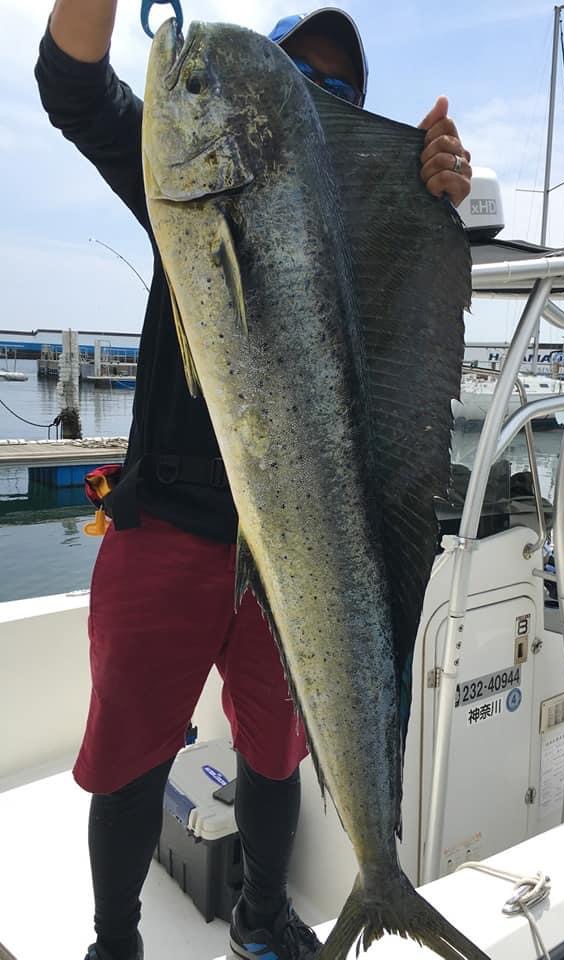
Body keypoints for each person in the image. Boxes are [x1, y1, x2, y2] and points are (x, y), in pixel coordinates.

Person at [35, 5, 472, 960]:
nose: (318, 96)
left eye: (339, 92)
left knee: (276, 751)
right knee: (132, 757)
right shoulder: (181, 183)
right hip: (169, 525)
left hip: (303, 552)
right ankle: (116, 944)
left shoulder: (355, 244)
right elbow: (73, 86)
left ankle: (266, 919)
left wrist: (438, 201)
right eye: (296, 77)